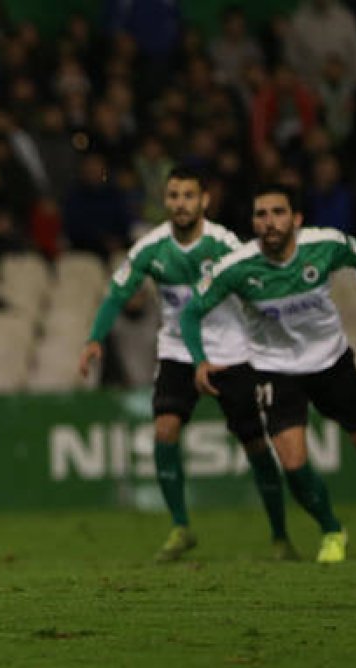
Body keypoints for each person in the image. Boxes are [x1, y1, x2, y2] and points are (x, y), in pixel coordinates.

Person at [179, 184, 356, 563]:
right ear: (253, 222)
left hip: (331, 363)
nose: (269, 222)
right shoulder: (235, 268)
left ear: (296, 219)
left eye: (278, 213)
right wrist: (199, 360)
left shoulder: (324, 245)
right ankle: (331, 529)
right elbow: (190, 312)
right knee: (294, 464)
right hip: (274, 370)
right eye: (261, 215)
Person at [79, 166, 294, 563]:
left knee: (255, 444)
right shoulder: (150, 248)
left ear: (204, 201)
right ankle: (181, 527)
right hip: (178, 352)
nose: (180, 204)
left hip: (230, 354)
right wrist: (95, 338)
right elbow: (116, 294)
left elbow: (258, 288)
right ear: (166, 201)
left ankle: (280, 535)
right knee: (165, 431)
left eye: (188, 196)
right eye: (174, 196)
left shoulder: (224, 244)